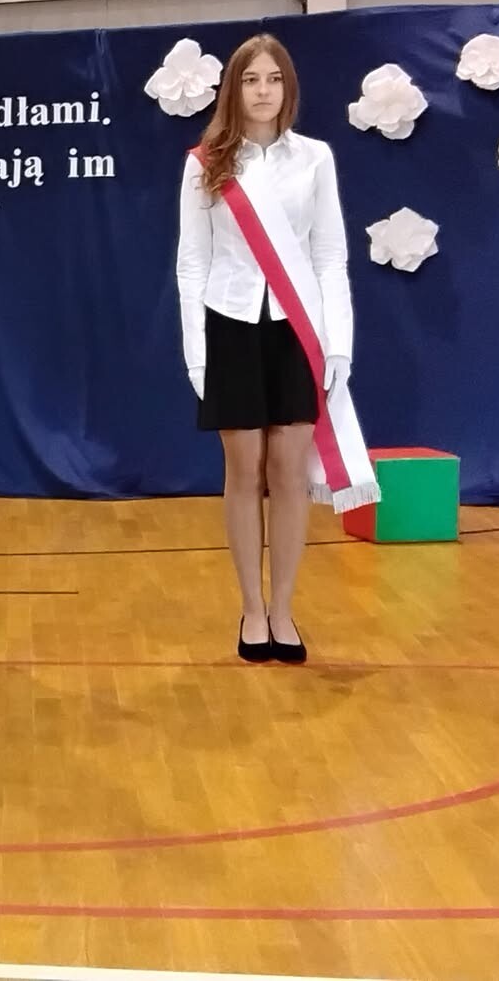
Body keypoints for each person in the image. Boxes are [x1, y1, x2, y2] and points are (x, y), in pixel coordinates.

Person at [175, 34, 359, 665]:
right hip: (229, 325)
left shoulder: (315, 159)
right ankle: (251, 609)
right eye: (251, 79)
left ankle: (283, 609)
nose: (262, 90)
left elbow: (330, 256)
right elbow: (192, 264)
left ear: (288, 88)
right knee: (243, 470)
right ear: (234, 89)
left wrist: (338, 343)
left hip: (297, 330)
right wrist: (197, 354)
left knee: (288, 474)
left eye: (273, 79)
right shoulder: (205, 164)